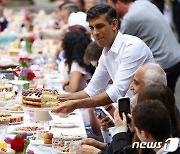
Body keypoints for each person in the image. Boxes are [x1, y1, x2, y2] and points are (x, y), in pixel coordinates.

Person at [52, 4, 154, 115]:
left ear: (114, 24)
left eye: (99, 26)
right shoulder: (106, 52)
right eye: (92, 28)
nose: (95, 32)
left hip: (151, 112)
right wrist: (55, 98)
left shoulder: (132, 46)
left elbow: (117, 91)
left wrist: (75, 104)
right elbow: (92, 90)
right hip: (134, 113)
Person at [107, 0, 180, 93]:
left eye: (111, 7)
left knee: (154, 100)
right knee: (167, 99)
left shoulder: (130, 19)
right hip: (175, 57)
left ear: (118, 3)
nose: (110, 12)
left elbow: (118, 47)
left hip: (163, 64)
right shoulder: (143, 3)